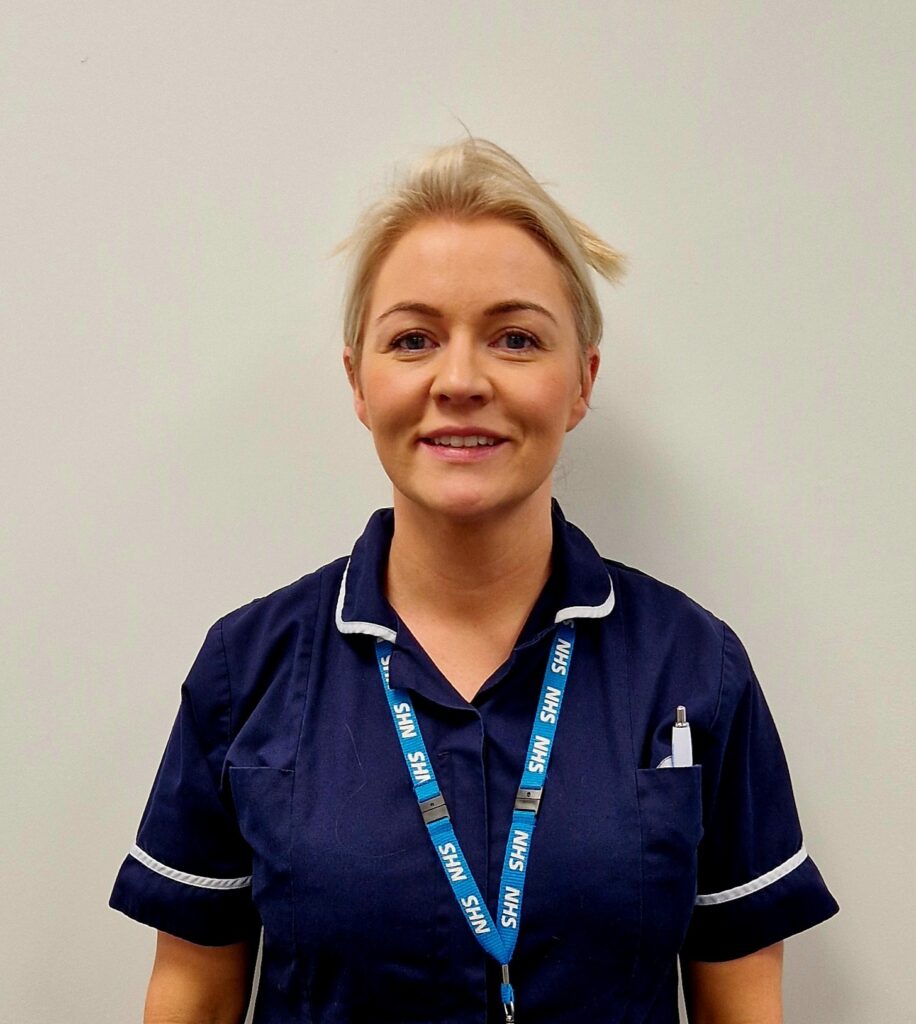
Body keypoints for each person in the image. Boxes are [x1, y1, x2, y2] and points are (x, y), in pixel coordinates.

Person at [109, 137, 839, 1024]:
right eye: (413, 339)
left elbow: (746, 1004)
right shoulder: (247, 669)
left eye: (515, 338)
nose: (459, 380)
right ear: (359, 381)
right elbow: (191, 995)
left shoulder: (693, 666)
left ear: (582, 382)